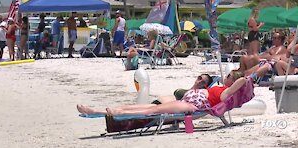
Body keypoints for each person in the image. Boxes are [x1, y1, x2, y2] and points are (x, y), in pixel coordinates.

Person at [77, 70, 246, 116]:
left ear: (233, 81)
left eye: (230, 76)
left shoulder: (226, 93)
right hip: (188, 100)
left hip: (192, 105)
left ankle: (117, 113)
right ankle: (98, 110)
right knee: (146, 106)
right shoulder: (220, 88)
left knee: (154, 110)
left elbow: (242, 81)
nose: (227, 76)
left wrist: (248, 77)